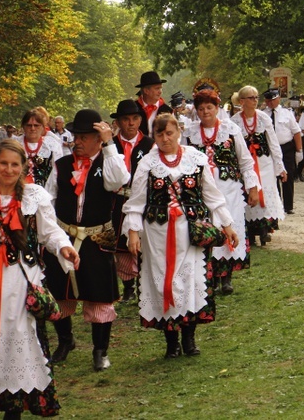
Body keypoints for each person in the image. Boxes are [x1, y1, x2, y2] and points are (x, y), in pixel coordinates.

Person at [0, 139, 79, 419]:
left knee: (21, 335)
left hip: (23, 277)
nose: (8, 169)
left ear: (23, 167)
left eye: (14, 164)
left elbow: (50, 233)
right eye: (3, 163)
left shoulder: (34, 196)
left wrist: (64, 247)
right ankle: (1, 396)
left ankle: (20, 403)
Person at [123, 114, 239, 358]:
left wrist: (227, 225)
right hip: (157, 234)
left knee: (191, 281)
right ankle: (171, 342)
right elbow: (135, 203)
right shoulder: (147, 163)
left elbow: (212, 195)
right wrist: (133, 233)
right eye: (159, 134)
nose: (165, 139)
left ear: (178, 131)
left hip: (191, 233)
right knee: (163, 282)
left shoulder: (195, 158)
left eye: (169, 133)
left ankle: (189, 338)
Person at [44, 109, 130, 371]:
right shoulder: (61, 165)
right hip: (64, 237)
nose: (77, 141)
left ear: (97, 138)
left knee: (100, 296)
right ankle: (65, 340)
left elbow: (120, 180)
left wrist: (111, 144)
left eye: (83, 137)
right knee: (59, 293)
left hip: (98, 238)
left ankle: (100, 351)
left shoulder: (108, 161)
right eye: (75, 136)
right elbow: (48, 200)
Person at [185, 90, 259, 294]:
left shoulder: (230, 130)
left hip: (229, 189)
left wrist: (252, 188)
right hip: (201, 192)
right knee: (208, 228)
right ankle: (210, 277)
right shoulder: (189, 134)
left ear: (217, 108)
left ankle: (226, 278)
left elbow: (245, 160)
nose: (205, 112)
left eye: (209, 107)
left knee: (229, 225)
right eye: (201, 109)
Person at [110, 100, 154, 302]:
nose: (131, 123)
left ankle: (143, 283)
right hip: (118, 200)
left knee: (144, 241)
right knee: (122, 244)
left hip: (143, 199)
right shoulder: (110, 145)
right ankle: (127, 285)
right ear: (118, 122)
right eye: (126, 119)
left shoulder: (150, 144)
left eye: (135, 118)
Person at [230, 86, 286, 245]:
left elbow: (273, 143)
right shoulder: (234, 121)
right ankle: (251, 234)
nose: (255, 100)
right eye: (251, 98)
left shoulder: (263, 118)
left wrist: (279, 166)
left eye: (256, 97)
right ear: (242, 101)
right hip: (246, 166)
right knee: (248, 195)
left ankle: (264, 231)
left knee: (265, 196)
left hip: (264, 164)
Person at [262, 88, 303, 214]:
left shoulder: (287, 113)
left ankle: (288, 205)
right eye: (268, 101)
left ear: (278, 99)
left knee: (288, 176)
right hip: (270, 148)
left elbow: (296, 132)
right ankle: (277, 204)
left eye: (273, 100)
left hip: (286, 147)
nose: (271, 103)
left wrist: (299, 150)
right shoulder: (263, 114)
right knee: (273, 176)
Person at [16, 108, 63, 187]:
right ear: (23, 126)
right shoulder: (15, 144)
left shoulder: (52, 145)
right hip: (18, 192)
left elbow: (57, 173)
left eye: (36, 125)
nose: (33, 128)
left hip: (45, 193)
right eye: (29, 125)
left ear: (43, 127)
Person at [134, 71, 172, 137]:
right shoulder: (133, 108)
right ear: (146, 91)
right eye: (157, 88)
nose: (160, 91)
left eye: (161, 88)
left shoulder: (168, 111)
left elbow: (174, 133)